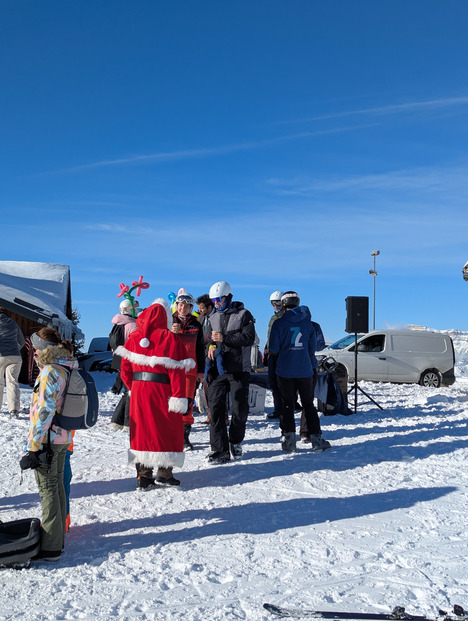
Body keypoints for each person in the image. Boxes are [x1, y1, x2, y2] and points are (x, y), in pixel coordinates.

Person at [117, 299, 195, 490]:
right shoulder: (170, 338)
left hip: (139, 392)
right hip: (163, 391)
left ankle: (143, 477)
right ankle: (164, 473)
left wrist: (134, 388)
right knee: (167, 429)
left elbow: (125, 370)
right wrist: (179, 396)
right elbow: (177, 372)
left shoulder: (134, 338)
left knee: (142, 431)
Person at [26, 328, 76, 561]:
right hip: (61, 437)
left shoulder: (50, 371)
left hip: (48, 439)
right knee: (56, 488)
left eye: (35, 346)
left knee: (48, 490)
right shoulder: (65, 366)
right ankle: (56, 540)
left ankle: (51, 547)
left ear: (45, 347)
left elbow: (45, 410)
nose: (33, 351)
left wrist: (35, 444)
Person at [269, 291, 331, 453]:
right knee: (308, 405)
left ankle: (289, 440)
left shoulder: (278, 323)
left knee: (287, 404)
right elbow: (313, 349)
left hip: (284, 370)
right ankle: (316, 439)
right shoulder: (308, 323)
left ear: (283, 305)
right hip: (305, 370)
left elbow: (274, 349)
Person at [206, 280, 256, 463]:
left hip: (238, 370)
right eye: (214, 300)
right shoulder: (211, 318)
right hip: (218, 370)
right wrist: (211, 346)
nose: (217, 303)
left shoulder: (244, 314)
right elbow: (209, 340)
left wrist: (225, 338)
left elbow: (249, 338)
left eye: (219, 299)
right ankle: (219, 450)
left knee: (239, 409)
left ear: (228, 297)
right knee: (216, 409)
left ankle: (235, 441)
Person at [170, 289, 205, 450]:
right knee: (170, 402)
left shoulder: (196, 324)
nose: (183, 308)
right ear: (176, 305)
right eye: (180, 305)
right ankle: (169, 434)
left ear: (191, 308)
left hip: (189, 370)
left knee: (187, 403)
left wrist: (201, 371)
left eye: (186, 306)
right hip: (170, 369)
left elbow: (200, 349)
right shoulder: (168, 321)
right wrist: (170, 333)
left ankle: (184, 437)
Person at [109, 298, 140, 430]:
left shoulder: (118, 323)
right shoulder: (132, 325)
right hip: (130, 360)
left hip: (118, 359)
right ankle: (128, 422)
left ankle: (117, 421)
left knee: (127, 391)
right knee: (131, 392)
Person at [299, 320, 326, 443]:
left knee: (307, 401)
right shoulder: (285, 323)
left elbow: (320, 344)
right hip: (302, 366)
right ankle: (289, 433)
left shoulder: (313, 325)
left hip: (307, 366)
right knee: (304, 401)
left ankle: (304, 432)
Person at [0, 308, 25, 418]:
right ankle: (14, 411)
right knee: (12, 382)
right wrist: (15, 349)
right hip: (15, 356)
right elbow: (22, 341)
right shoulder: (13, 324)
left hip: (1, 356)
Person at [263, 291, 284, 420]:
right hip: (272, 353)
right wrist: (266, 349)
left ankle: (284, 408)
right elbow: (270, 336)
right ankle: (278, 408)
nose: (275, 306)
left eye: (278, 303)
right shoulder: (273, 317)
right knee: (273, 382)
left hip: (281, 354)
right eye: (273, 303)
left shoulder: (285, 317)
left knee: (282, 382)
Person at [195, 294, 216, 424]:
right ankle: (209, 415)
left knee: (214, 387)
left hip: (214, 356)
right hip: (201, 356)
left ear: (210, 307)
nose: (200, 310)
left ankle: (219, 416)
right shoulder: (200, 318)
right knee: (204, 387)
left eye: (202, 308)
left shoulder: (217, 317)